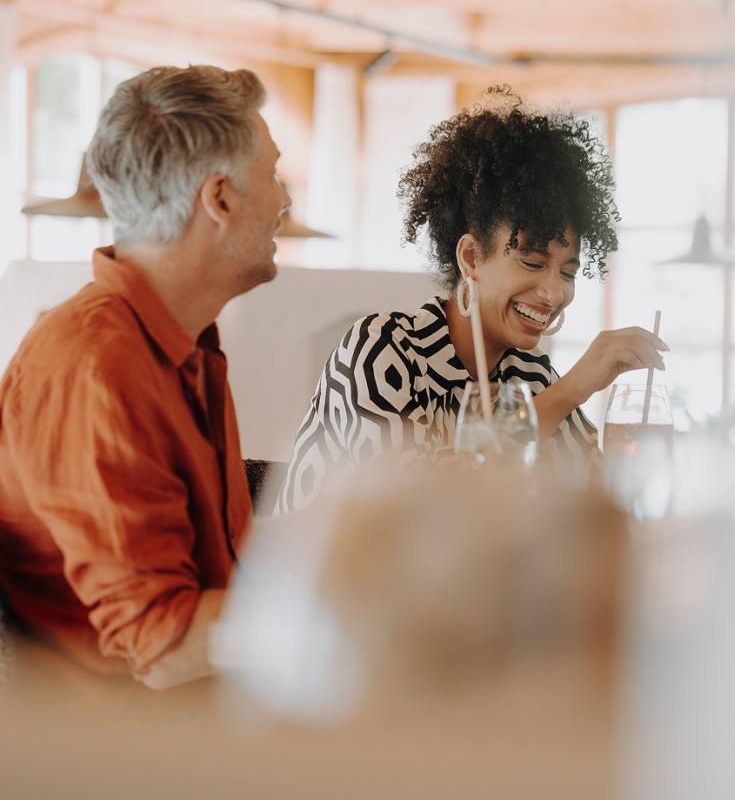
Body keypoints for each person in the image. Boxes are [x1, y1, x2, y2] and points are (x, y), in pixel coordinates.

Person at [0, 64, 291, 689]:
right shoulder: (93, 367)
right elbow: (160, 645)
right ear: (220, 198)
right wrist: (363, 605)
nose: (284, 199)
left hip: (200, 721)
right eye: (272, 175)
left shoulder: (183, 344)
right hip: (116, 756)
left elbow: (215, 579)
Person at [276, 85, 668, 513]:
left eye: (568, 272)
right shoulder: (382, 349)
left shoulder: (530, 375)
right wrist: (573, 389)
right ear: (470, 256)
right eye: (533, 263)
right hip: (319, 579)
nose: (555, 292)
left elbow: (597, 508)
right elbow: (421, 512)